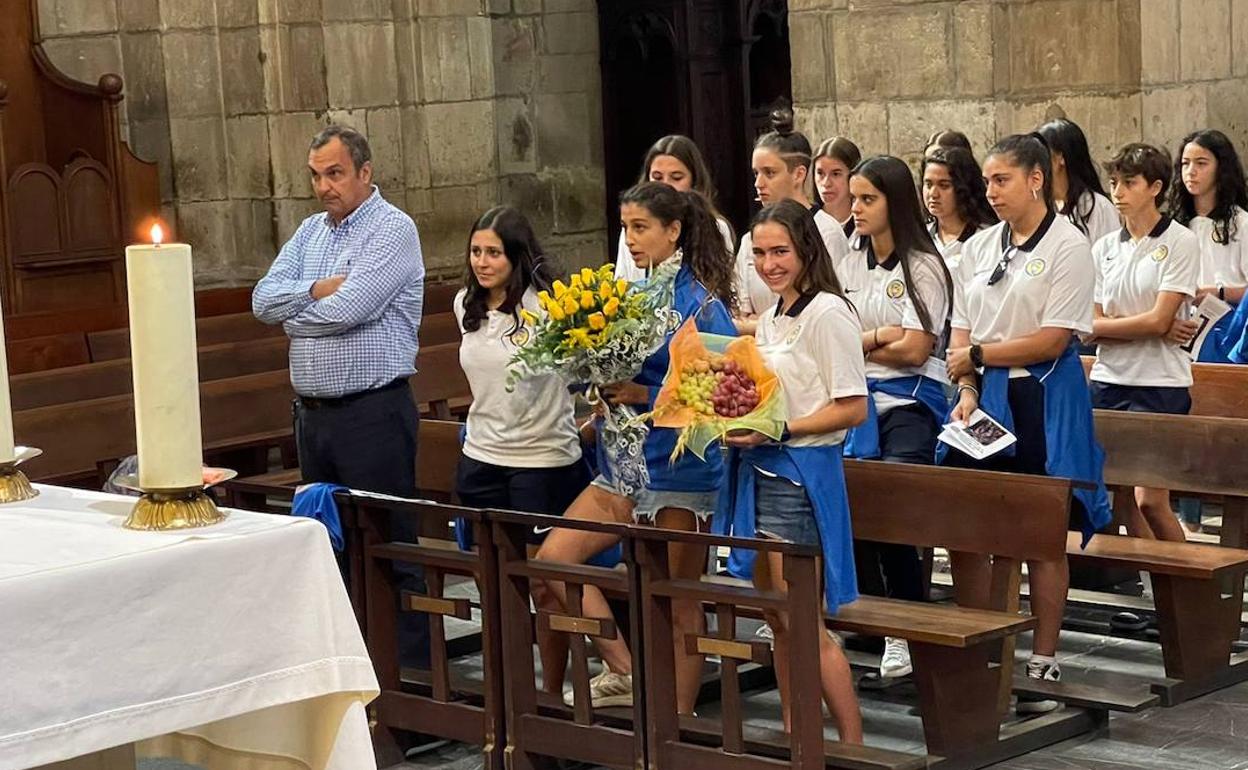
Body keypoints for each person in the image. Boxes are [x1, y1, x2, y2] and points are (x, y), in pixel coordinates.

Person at [251, 124, 431, 746]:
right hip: (315, 418)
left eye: (333, 173)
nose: (322, 186)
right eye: (315, 175)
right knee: (331, 553)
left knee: (388, 551)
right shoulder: (309, 234)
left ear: (363, 170)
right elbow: (261, 300)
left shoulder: (393, 230)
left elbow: (347, 311)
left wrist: (303, 312)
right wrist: (311, 291)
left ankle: (410, 700)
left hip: (372, 415)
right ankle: (349, 697)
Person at [535, 182, 737, 714]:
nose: (630, 238)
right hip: (623, 466)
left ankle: (676, 726)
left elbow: (722, 397)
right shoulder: (629, 296)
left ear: (674, 231)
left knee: (677, 604)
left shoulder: (703, 304)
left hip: (679, 473)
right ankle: (628, 670)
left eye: (641, 227)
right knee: (555, 558)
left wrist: (642, 393)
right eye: (625, 228)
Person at [944, 133, 1111, 715]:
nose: (989, 192)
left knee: (1040, 534)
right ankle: (988, 644)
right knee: (982, 528)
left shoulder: (1068, 245)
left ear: (1036, 180)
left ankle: (1043, 656)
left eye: (1001, 180)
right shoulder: (981, 245)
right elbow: (961, 330)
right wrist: (966, 386)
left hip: (1042, 397)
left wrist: (980, 359)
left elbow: (1053, 338)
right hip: (984, 398)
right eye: (987, 180)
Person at [720, 198, 866, 743]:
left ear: (806, 248)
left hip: (800, 474)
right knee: (778, 620)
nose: (768, 263)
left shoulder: (828, 312)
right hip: (760, 469)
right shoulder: (776, 315)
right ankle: (795, 731)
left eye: (780, 250)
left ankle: (852, 743)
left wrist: (778, 430)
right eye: (758, 252)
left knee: (803, 619)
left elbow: (852, 407)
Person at [453, 206, 594, 693]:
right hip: (482, 457)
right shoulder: (464, 306)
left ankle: (552, 692)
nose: (483, 262)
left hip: (541, 462)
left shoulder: (548, 308)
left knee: (542, 582)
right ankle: (508, 689)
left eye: (494, 252)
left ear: (517, 256)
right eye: (476, 251)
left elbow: (581, 374)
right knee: (489, 582)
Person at [842, 156, 953, 682]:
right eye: (855, 198)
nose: (857, 208)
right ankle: (871, 616)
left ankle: (905, 628)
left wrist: (868, 344)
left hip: (911, 403)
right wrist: (876, 337)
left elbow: (914, 350)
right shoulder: (850, 261)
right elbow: (838, 337)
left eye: (868, 199)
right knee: (853, 504)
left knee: (892, 508)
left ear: (894, 202)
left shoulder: (922, 264)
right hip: (859, 399)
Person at [1084, 144, 1199, 543]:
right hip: (1109, 378)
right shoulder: (1103, 248)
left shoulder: (1180, 241)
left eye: (1128, 183)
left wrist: (1146, 325)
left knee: (1150, 500)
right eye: (1114, 182)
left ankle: (1186, 588)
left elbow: (1161, 318)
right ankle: (1152, 588)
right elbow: (1087, 326)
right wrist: (1148, 326)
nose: (1117, 192)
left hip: (1160, 384)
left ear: (1155, 187)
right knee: (1119, 497)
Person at [736, 109, 860, 332]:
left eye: (769, 173)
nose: (758, 183)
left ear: (799, 174)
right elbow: (739, 316)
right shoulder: (749, 239)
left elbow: (830, 309)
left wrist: (764, 324)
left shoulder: (826, 231)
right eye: (756, 173)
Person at [1168, 129, 1248, 363]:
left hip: (1227, 328)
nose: (1191, 172)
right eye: (1185, 164)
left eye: (1201, 163)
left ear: (1220, 168)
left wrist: (1217, 292)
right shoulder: (1176, 224)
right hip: (1181, 326)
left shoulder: (1241, 223)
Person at [613, 135, 735, 282]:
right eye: (657, 177)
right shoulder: (631, 229)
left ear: (694, 181)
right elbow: (622, 282)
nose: (666, 185)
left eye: (676, 178)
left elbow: (723, 286)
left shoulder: (715, 227)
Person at [1037, 118, 1120, 244]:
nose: (1036, 162)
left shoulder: (1097, 207)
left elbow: (1108, 258)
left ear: (1061, 157)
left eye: (1042, 153)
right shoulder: (1041, 206)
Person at [922, 147, 998, 271]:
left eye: (944, 185)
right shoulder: (921, 238)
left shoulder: (986, 238)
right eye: (929, 184)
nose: (933, 193)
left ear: (963, 188)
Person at [813, 136, 863, 239]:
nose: (826, 183)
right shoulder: (807, 222)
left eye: (836, 174)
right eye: (820, 173)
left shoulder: (865, 223)